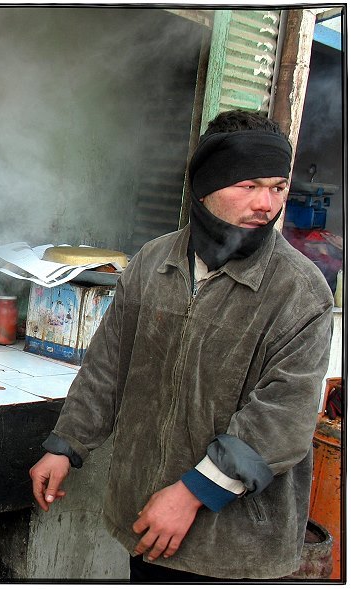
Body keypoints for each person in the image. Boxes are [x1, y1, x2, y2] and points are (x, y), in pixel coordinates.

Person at [29, 109, 334, 581]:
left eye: (277, 186)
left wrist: (193, 491)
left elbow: (283, 416)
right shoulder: (154, 263)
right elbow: (109, 367)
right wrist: (66, 445)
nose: (266, 204)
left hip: (234, 546)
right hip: (147, 517)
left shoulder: (299, 291)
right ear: (207, 183)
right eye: (248, 185)